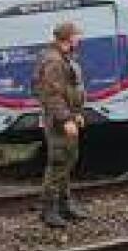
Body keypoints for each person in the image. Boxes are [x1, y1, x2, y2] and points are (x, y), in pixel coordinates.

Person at [32, 22, 89, 228]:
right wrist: (66, 119)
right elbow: (52, 95)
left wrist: (76, 114)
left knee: (68, 160)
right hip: (57, 121)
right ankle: (48, 210)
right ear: (68, 37)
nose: (79, 39)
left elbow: (69, 90)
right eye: (76, 35)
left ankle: (65, 205)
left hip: (66, 117)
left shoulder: (62, 58)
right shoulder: (53, 61)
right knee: (58, 162)